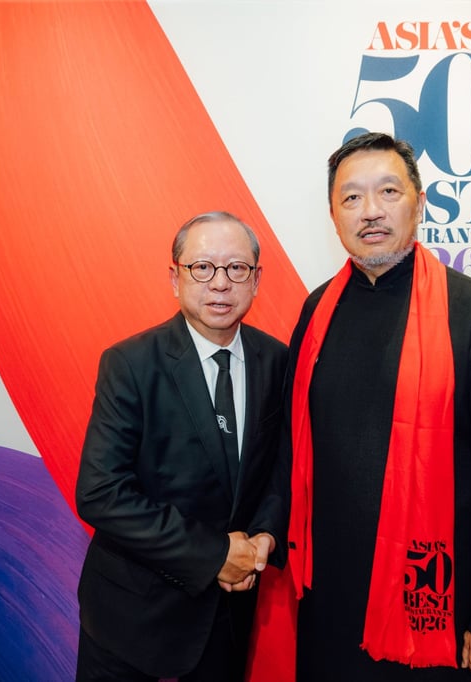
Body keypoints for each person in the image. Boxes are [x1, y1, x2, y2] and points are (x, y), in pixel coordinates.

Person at [249, 132, 471, 681]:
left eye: (388, 191)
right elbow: (291, 448)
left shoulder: (470, 311)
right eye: (352, 198)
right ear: (333, 215)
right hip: (332, 601)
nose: (371, 212)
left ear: (420, 201)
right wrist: (266, 529)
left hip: (437, 610)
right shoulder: (318, 311)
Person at [75, 211, 287, 681]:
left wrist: (265, 538)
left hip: (227, 622)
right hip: (133, 624)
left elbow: (278, 470)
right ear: (175, 278)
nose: (219, 284)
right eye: (202, 267)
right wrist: (214, 555)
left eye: (236, 269)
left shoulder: (277, 361)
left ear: (256, 280)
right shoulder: (130, 363)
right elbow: (100, 493)